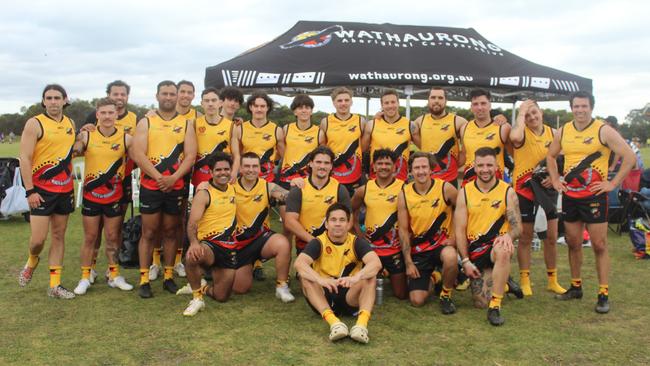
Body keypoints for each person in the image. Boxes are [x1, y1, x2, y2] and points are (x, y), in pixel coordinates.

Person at [546, 91, 635, 314]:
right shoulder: (564, 130)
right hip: (570, 196)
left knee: (599, 245)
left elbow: (629, 157)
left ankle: (603, 292)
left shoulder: (603, 130)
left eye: (584, 106)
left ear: (591, 107)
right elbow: (550, 156)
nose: (580, 110)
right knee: (573, 242)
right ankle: (576, 286)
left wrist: (612, 183)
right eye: (576, 106)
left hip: (595, 196)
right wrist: (556, 179)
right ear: (571, 108)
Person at [182, 152, 294, 316]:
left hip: (258, 239)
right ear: (240, 168)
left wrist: (298, 185)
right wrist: (204, 184)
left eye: (254, 166)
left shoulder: (266, 186)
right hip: (235, 244)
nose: (251, 170)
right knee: (240, 288)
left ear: (260, 168)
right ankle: (200, 289)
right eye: (247, 166)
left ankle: (282, 286)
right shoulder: (229, 186)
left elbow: (290, 196)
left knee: (282, 243)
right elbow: (212, 191)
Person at [131, 80, 197, 298]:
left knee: (171, 231)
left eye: (172, 94)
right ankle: (144, 279)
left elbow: (190, 155)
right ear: (157, 96)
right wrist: (159, 177)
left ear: (177, 96)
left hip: (176, 185)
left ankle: (168, 276)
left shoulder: (186, 123)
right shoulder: (146, 122)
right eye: (164, 94)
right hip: (152, 185)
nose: (168, 97)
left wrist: (174, 177)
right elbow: (138, 154)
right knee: (148, 232)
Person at [18, 84, 76, 298]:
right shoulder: (35, 123)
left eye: (57, 98)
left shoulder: (71, 123)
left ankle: (55, 285)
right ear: (44, 101)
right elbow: (25, 158)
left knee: (59, 235)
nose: (53, 102)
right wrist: (30, 191)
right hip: (40, 190)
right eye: (49, 98)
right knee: (38, 240)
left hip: (65, 189)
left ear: (64, 100)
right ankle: (32, 260)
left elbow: (70, 150)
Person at [294, 203, 382, 344]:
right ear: (327, 224)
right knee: (305, 277)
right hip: (325, 294)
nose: (337, 224)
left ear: (348, 224)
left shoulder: (356, 242)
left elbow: (376, 263)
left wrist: (356, 278)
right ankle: (334, 324)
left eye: (342, 220)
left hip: (349, 294)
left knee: (370, 276)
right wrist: (320, 280)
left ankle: (361, 326)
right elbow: (299, 263)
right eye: (333, 220)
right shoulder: (318, 242)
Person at [72, 98, 134, 295]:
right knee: (90, 237)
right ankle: (85, 276)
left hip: (114, 196)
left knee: (112, 237)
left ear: (117, 115)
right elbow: (72, 152)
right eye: (103, 113)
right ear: (97, 115)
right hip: (92, 196)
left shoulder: (126, 139)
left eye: (111, 113)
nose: (107, 117)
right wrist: (77, 137)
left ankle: (114, 275)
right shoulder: (87, 136)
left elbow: (141, 155)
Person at [455, 147, 523, 326]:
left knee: (503, 250)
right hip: (476, 251)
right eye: (481, 165)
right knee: (479, 302)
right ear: (474, 167)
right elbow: (460, 230)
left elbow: (518, 227)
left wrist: (509, 235)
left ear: (496, 166)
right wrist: (465, 261)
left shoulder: (507, 192)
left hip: (496, 247)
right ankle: (505, 281)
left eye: (489, 165)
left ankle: (495, 307)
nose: (485, 169)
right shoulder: (465, 192)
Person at [82, 80, 138, 283]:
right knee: (94, 230)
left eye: (123, 94)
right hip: (97, 183)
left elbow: (139, 146)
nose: (120, 97)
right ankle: (92, 266)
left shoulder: (134, 118)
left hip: (123, 179)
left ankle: (112, 270)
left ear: (127, 97)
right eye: (116, 94)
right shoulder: (96, 115)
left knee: (115, 226)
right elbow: (84, 142)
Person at [510, 100, 566, 296]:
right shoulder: (521, 131)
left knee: (551, 237)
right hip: (524, 190)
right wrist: (521, 112)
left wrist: (556, 178)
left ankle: (553, 280)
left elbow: (565, 160)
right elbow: (514, 137)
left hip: (547, 192)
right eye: (527, 115)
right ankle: (525, 280)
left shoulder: (555, 133)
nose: (532, 117)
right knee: (525, 237)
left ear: (541, 112)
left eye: (534, 113)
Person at [149, 80, 200, 281]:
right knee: (156, 222)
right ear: (177, 94)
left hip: (183, 175)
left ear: (193, 96)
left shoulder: (197, 117)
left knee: (177, 221)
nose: (185, 95)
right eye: (183, 92)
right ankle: (155, 261)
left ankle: (177, 260)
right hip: (158, 176)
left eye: (190, 92)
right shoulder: (154, 115)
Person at [397, 152, 459, 312]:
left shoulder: (445, 188)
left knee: (451, 257)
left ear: (431, 169)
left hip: (442, 246)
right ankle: (436, 277)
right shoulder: (404, 194)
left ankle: (446, 295)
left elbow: (464, 211)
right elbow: (403, 231)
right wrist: (409, 262)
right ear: (410, 171)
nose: (421, 171)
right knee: (417, 301)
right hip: (419, 250)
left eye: (424, 167)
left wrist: (454, 238)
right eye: (416, 168)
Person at [351, 149, 407, 299]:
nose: (383, 167)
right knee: (361, 291)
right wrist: (358, 231)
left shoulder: (404, 188)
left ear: (395, 166)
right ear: (374, 167)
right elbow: (351, 211)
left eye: (388, 163)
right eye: (380, 163)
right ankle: (379, 271)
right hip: (370, 250)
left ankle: (387, 272)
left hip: (394, 249)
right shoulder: (364, 189)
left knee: (401, 294)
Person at [284, 146, 351, 254]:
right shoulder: (299, 188)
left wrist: (333, 239)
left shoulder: (340, 189)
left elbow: (349, 219)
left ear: (331, 166)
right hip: (306, 244)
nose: (322, 166)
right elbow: (290, 221)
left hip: (333, 245)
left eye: (326, 163)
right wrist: (314, 242)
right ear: (310, 163)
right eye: (318, 162)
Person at [413, 87, 468, 185]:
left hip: (449, 180)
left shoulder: (459, 122)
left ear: (446, 101)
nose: (436, 101)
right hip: (426, 181)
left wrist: (453, 167)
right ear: (428, 100)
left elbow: (467, 150)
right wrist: (381, 116)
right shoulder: (419, 121)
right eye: (433, 97)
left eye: (440, 98)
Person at [361, 89, 419, 181]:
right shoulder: (372, 125)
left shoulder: (410, 125)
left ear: (398, 103)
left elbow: (426, 147)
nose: (390, 106)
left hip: (400, 181)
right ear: (382, 105)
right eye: (386, 103)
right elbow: (362, 149)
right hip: (376, 181)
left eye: (393, 102)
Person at [319, 87, 367, 196]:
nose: (343, 103)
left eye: (346, 100)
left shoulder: (361, 121)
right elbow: (322, 149)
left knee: (353, 209)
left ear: (351, 102)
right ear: (334, 103)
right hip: (333, 175)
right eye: (339, 101)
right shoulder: (325, 122)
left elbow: (365, 146)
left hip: (355, 175)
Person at [460, 89, 511, 185]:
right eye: (475, 104)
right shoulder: (464, 128)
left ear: (490, 105)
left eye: (483, 103)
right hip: (470, 183)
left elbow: (517, 153)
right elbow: (464, 155)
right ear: (471, 107)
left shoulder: (503, 128)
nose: (479, 107)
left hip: (495, 184)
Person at [232, 91, 285, 183]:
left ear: (267, 108)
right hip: (246, 180)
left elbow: (284, 157)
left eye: (262, 106)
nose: (259, 109)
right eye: (256, 106)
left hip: (268, 180)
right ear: (250, 107)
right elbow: (237, 156)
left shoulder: (277, 130)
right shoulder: (240, 129)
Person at [191, 88, 236, 187]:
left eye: (213, 100)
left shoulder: (231, 125)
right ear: (202, 103)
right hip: (200, 176)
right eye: (207, 101)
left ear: (220, 103)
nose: (210, 104)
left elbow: (236, 155)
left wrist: (234, 172)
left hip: (223, 176)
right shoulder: (194, 124)